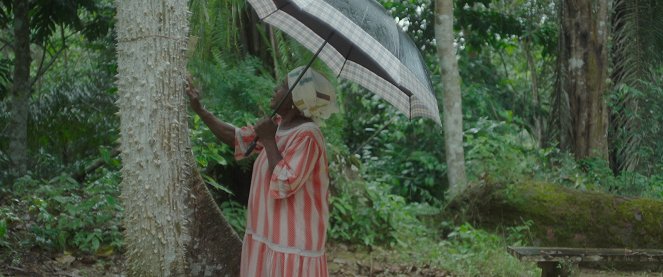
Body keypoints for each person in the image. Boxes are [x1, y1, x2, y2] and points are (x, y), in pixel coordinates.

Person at [185, 66, 338, 277]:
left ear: (297, 99)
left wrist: (268, 140)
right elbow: (236, 138)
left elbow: (285, 182)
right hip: (266, 237)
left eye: (284, 86)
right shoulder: (278, 126)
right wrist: (200, 110)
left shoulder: (308, 136)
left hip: (292, 247)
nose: (276, 88)